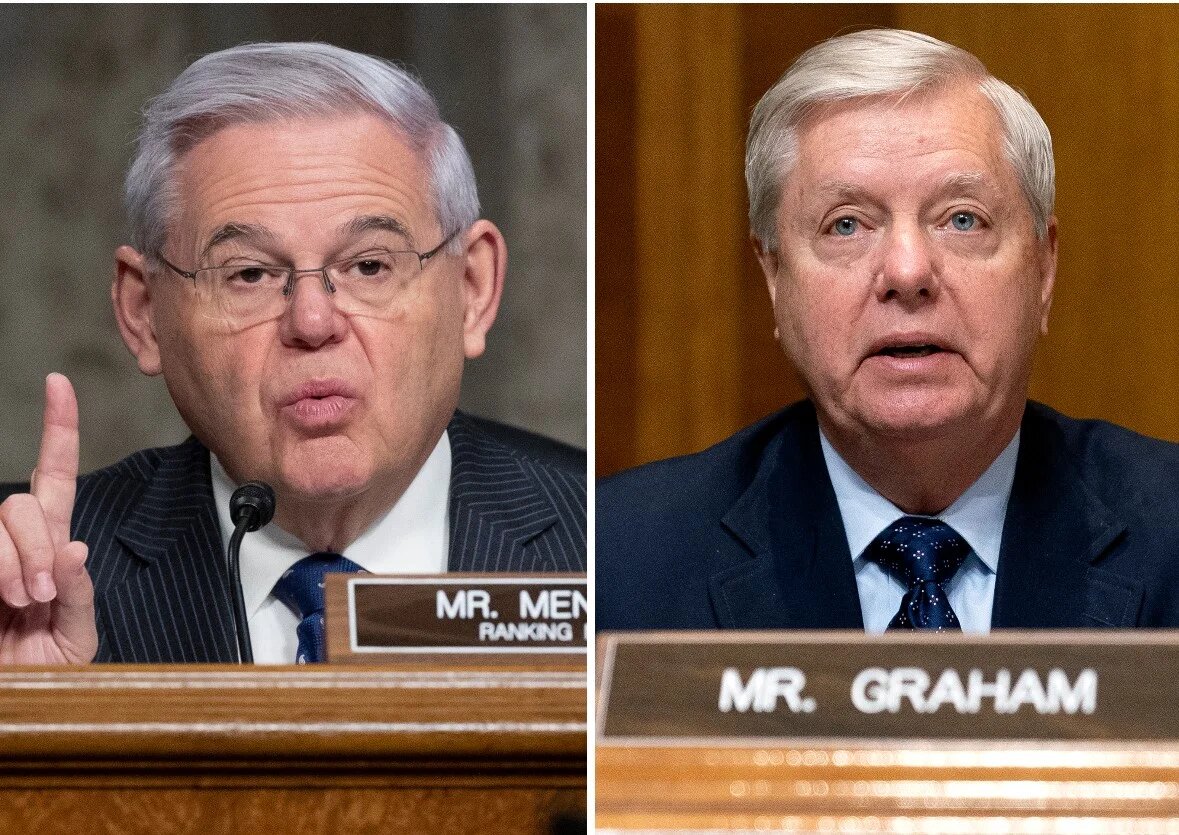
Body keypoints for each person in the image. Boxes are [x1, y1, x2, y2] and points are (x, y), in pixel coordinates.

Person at [0, 42, 586, 664]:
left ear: (472, 288)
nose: (312, 322)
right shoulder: (27, 588)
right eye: (249, 274)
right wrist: (27, 720)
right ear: (145, 313)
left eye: (368, 265)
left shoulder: (608, 548)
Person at [597, 28, 1179, 633]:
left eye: (962, 219)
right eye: (846, 225)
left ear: (1044, 268)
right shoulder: (621, 562)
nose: (907, 272)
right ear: (774, 277)